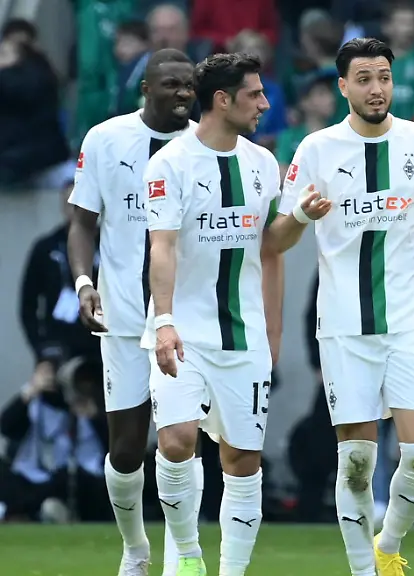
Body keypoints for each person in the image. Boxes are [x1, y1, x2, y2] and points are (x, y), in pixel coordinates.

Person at [268, 37, 414, 576]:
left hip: (410, 321)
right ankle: (364, 571)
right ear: (343, 87)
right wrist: (301, 215)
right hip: (345, 326)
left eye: (384, 77)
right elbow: (275, 240)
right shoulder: (316, 149)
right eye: (364, 79)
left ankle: (387, 544)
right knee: (357, 461)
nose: (376, 89)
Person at [143, 52, 294, 576]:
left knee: (242, 459)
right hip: (182, 331)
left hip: (244, 335)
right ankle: (187, 554)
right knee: (176, 440)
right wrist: (163, 321)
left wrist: (273, 329)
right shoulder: (170, 163)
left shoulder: (262, 164)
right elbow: (161, 246)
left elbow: (271, 249)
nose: (265, 104)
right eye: (255, 94)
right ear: (223, 100)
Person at [66, 48, 198, 576]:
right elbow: (82, 222)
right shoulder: (105, 138)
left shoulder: (205, 146)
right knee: (125, 451)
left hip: (184, 320)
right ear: (146, 88)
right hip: (121, 316)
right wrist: (83, 282)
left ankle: (182, 556)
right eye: (171, 84)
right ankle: (135, 548)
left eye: (189, 84)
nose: (183, 93)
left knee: (180, 442)